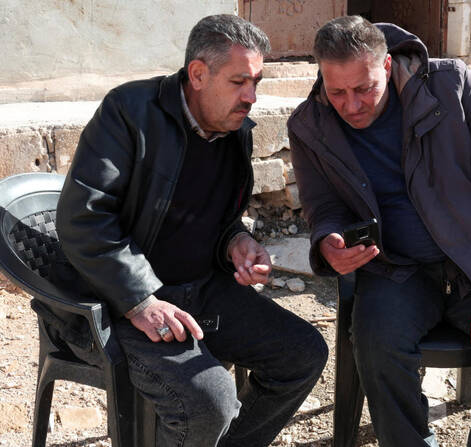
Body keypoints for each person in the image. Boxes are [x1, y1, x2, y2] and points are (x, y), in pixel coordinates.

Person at [56, 14, 327, 446]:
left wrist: (236, 242)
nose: (251, 96)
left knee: (303, 354)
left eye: (256, 82)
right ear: (198, 74)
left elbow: (217, 217)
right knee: (209, 402)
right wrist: (140, 300)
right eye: (239, 82)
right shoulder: (129, 112)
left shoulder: (234, 129)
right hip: (113, 303)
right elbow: (84, 219)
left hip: (199, 291)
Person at [287, 15, 471, 447]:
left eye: (364, 89)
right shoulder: (310, 125)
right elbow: (323, 206)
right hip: (396, 272)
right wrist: (329, 243)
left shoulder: (451, 86)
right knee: (376, 345)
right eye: (337, 92)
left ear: (387, 65)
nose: (351, 105)